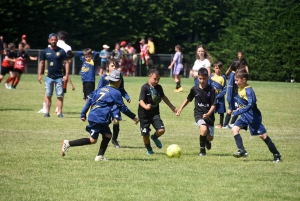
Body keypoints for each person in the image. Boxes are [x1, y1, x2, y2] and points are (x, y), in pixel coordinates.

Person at [61, 70, 139, 161]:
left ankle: (99, 156)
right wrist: (134, 117)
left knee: (108, 135)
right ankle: (68, 143)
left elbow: (89, 100)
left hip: (99, 118)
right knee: (93, 140)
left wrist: (83, 113)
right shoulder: (116, 93)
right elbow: (123, 108)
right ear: (119, 81)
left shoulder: (100, 89)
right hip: (97, 118)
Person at [231, 68, 281, 162]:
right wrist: (237, 107)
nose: (235, 82)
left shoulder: (249, 90)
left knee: (262, 135)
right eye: (235, 80)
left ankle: (276, 153)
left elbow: (250, 105)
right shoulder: (239, 88)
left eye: (237, 80)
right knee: (234, 129)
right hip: (245, 116)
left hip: (253, 117)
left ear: (244, 80)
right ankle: (242, 150)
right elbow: (240, 101)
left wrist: (238, 112)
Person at [176, 68, 216, 156]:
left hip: (209, 115)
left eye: (204, 79)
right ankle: (202, 151)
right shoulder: (194, 89)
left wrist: (208, 114)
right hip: (198, 113)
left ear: (208, 78)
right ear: (198, 77)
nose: (202, 81)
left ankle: (206, 140)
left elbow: (214, 104)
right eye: (200, 78)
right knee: (203, 129)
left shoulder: (211, 90)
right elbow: (188, 99)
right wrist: (180, 109)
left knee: (210, 137)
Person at [138, 67, 177, 155]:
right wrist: (145, 106)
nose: (156, 81)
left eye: (158, 79)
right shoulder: (144, 87)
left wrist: (172, 107)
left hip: (155, 113)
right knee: (145, 134)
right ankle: (149, 149)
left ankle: (155, 137)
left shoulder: (159, 88)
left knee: (161, 130)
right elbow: (141, 101)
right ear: (149, 76)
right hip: (144, 114)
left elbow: (164, 97)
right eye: (155, 79)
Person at [97, 59, 131, 148]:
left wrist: (127, 97)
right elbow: (99, 89)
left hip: (116, 103)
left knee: (116, 121)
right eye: (112, 66)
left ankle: (114, 139)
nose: (114, 67)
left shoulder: (120, 77)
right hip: (106, 104)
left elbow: (122, 89)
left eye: (115, 66)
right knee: (105, 121)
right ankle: (105, 136)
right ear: (107, 67)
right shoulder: (104, 77)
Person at [38, 33, 70, 118]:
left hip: (59, 77)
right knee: (48, 95)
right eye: (52, 40)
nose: (53, 41)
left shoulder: (61, 51)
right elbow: (41, 63)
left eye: (55, 40)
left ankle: (59, 112)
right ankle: (47, 112)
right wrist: (39, 75)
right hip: (49, 77)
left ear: (57, 40)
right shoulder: (45, 51)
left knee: (60, 95)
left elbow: (66, 63)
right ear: (49, 41)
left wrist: (66, 75)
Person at [222, 59, 243, 129]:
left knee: (237, 109)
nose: (241, 67)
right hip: (233, 96)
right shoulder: (232, 75)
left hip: (236, 96)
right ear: (237, 66)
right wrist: (229, 97)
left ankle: (230, 124)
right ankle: (226, 125)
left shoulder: (235, 74)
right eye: (240, 66)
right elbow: (230, 87)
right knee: (232, 110)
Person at [208, 61, 226, 128]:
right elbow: (209, 87)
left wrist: (220, 95)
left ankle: (221, 124)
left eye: (219, 68)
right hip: (213, 97)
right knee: (212, 110)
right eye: (216, 68)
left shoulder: (223, 77)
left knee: (221, 111)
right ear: (214, 68)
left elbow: (224, 88)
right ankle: (211, 122)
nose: (218, 70)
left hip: (220, 97)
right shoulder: (211, 77)